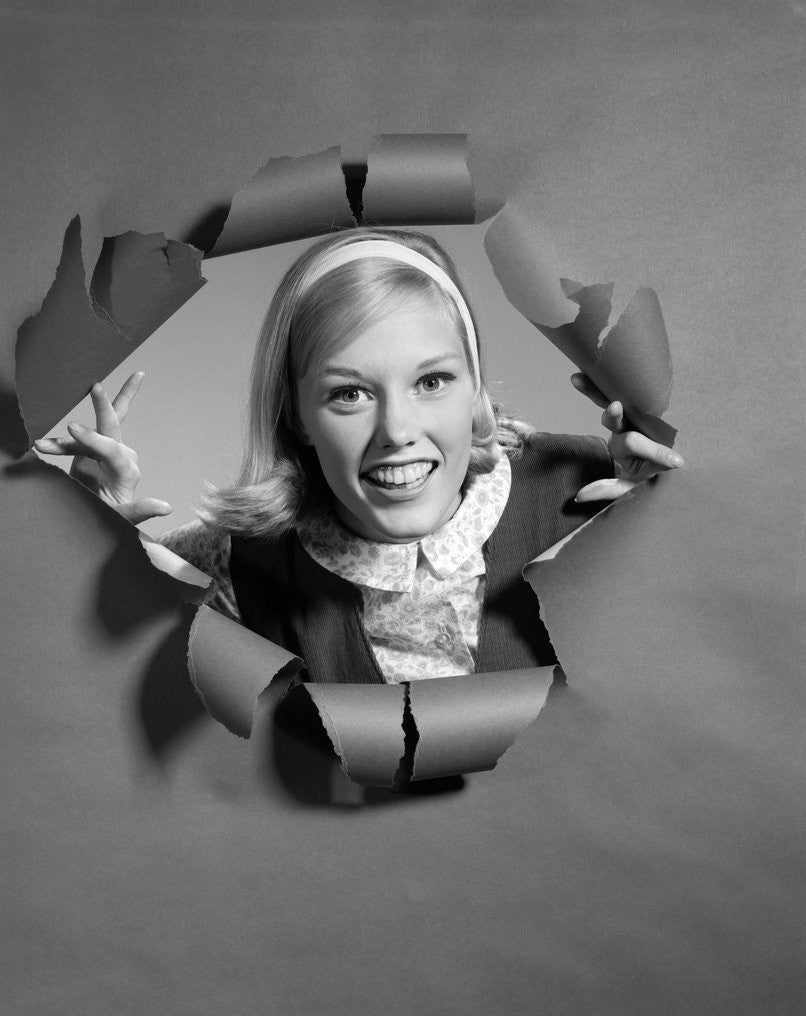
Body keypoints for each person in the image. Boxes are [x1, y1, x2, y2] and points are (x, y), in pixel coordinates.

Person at [35, 227, 683, 684]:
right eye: (349, 393)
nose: (396, 429)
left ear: (475, 390)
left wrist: (664, 512)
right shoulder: (240, 557)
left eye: (431, 382)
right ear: (297, 416)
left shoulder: (588, 485)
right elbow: (100, 641)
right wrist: (93, 519)